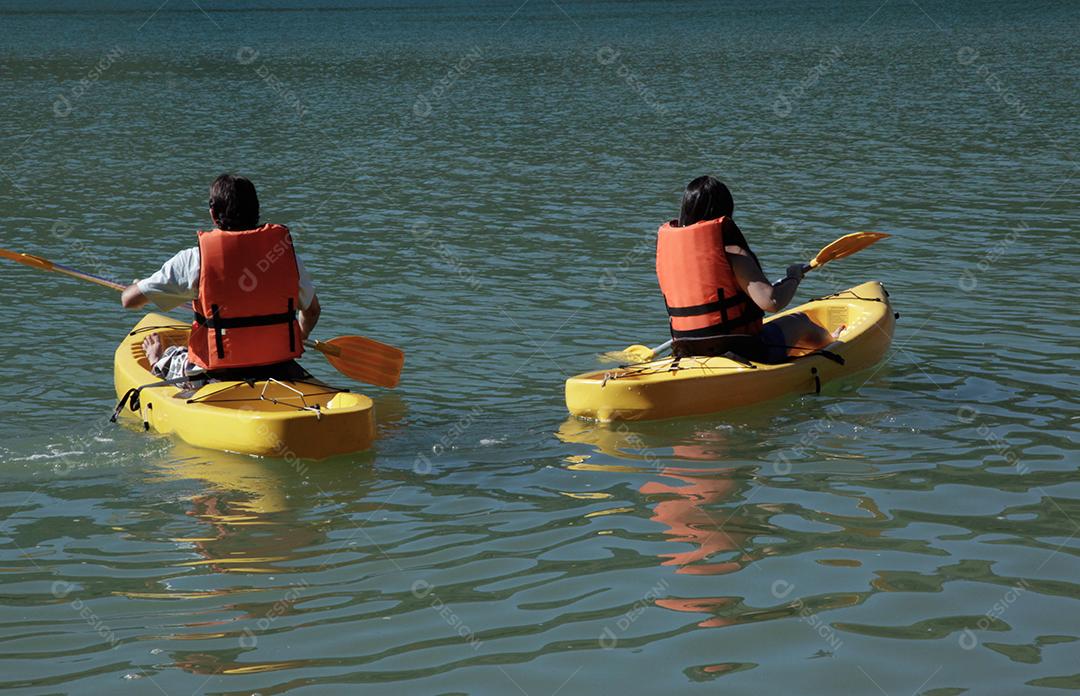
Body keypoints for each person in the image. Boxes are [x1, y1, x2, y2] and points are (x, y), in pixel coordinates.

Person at [120, 174, 321, 381]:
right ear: (257, 212)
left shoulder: (194, 259)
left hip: (218, 372)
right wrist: (300, 336)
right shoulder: (285, 256)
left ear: (213, 214)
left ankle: (157, 359)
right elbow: (312, 311)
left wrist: (137, 286)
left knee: (170, 352)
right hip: (277, 366)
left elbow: (129, 301)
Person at [656, 175, 842, 362]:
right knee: (801, 321)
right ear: (725, 211)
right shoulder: (733, 254)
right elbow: (772, 302)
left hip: (687, 348)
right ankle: (833, 344)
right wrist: (794, 277)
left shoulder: (672, 259)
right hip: (741, 349)